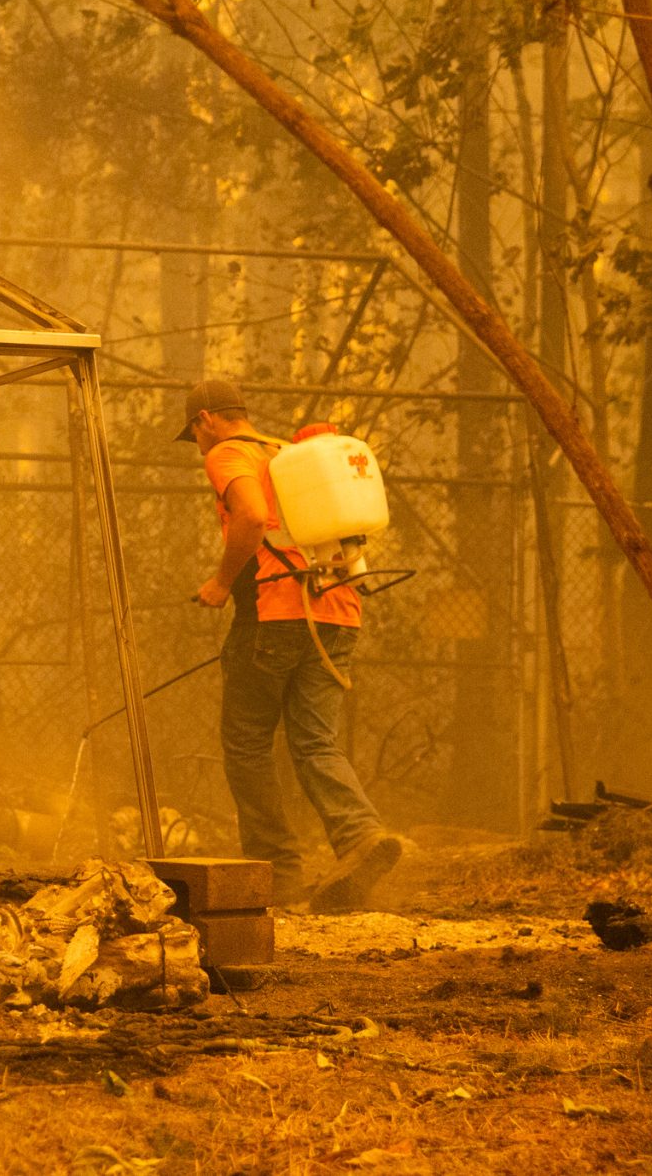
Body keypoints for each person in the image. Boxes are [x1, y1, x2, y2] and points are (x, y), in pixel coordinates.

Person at [182, 377, 405, 912]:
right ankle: (361, 836)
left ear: (206, 419)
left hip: (275, 612)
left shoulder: (230, 453)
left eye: (194, 433)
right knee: (315, 743)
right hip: (338, 612)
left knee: (247, 743)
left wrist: (220, 583)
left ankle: (277, 876)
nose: (198, 445)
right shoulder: (291, 453)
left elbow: (251, 516)